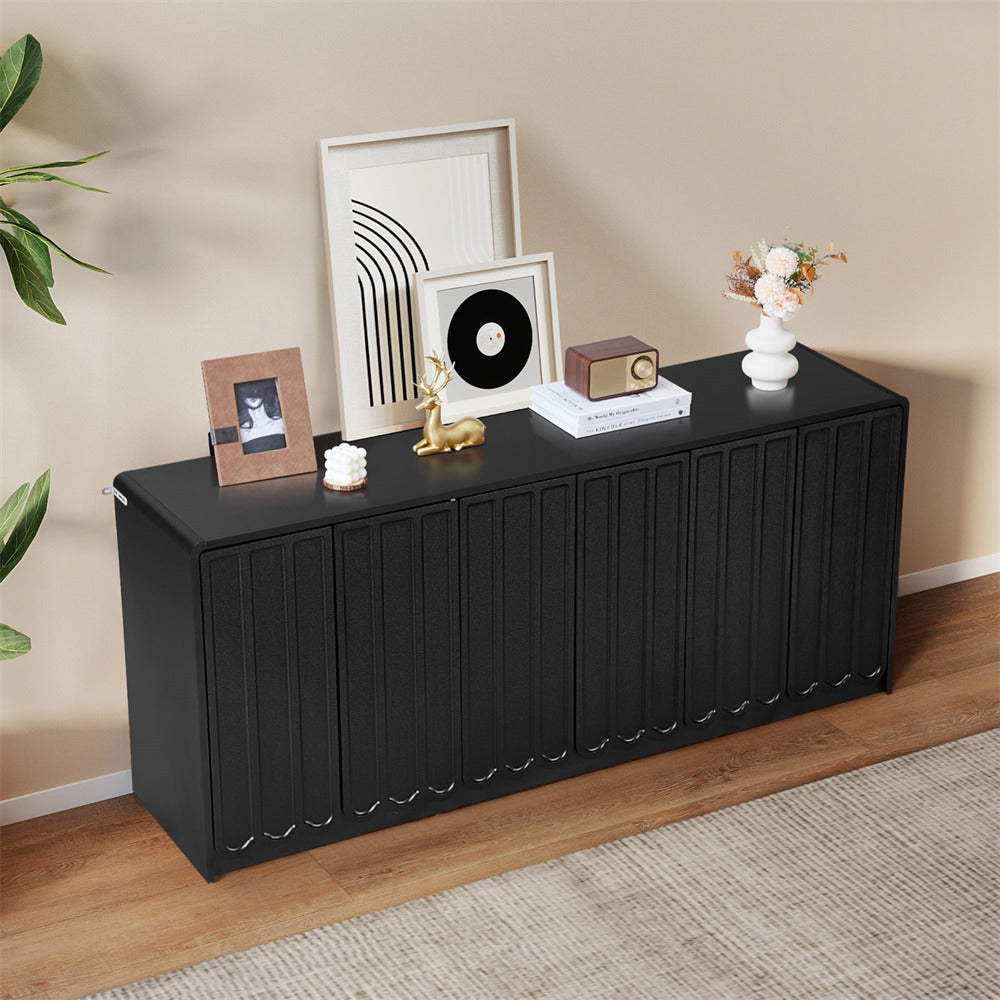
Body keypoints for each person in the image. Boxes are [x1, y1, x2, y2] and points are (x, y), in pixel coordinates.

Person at [235, 378, 287, 454]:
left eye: (257, 390)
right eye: (247, 391)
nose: (253, 396)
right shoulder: (241, 432)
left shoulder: (281, 423)